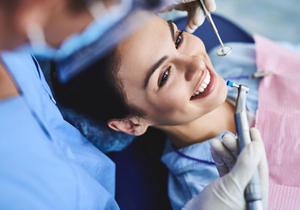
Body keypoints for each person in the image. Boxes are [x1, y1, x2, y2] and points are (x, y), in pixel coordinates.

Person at [0, 0, 268, 209]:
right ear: (130, 123)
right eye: (163, 76)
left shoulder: (244, 61)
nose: (197, 63)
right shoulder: (203, 187)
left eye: (177, 38)